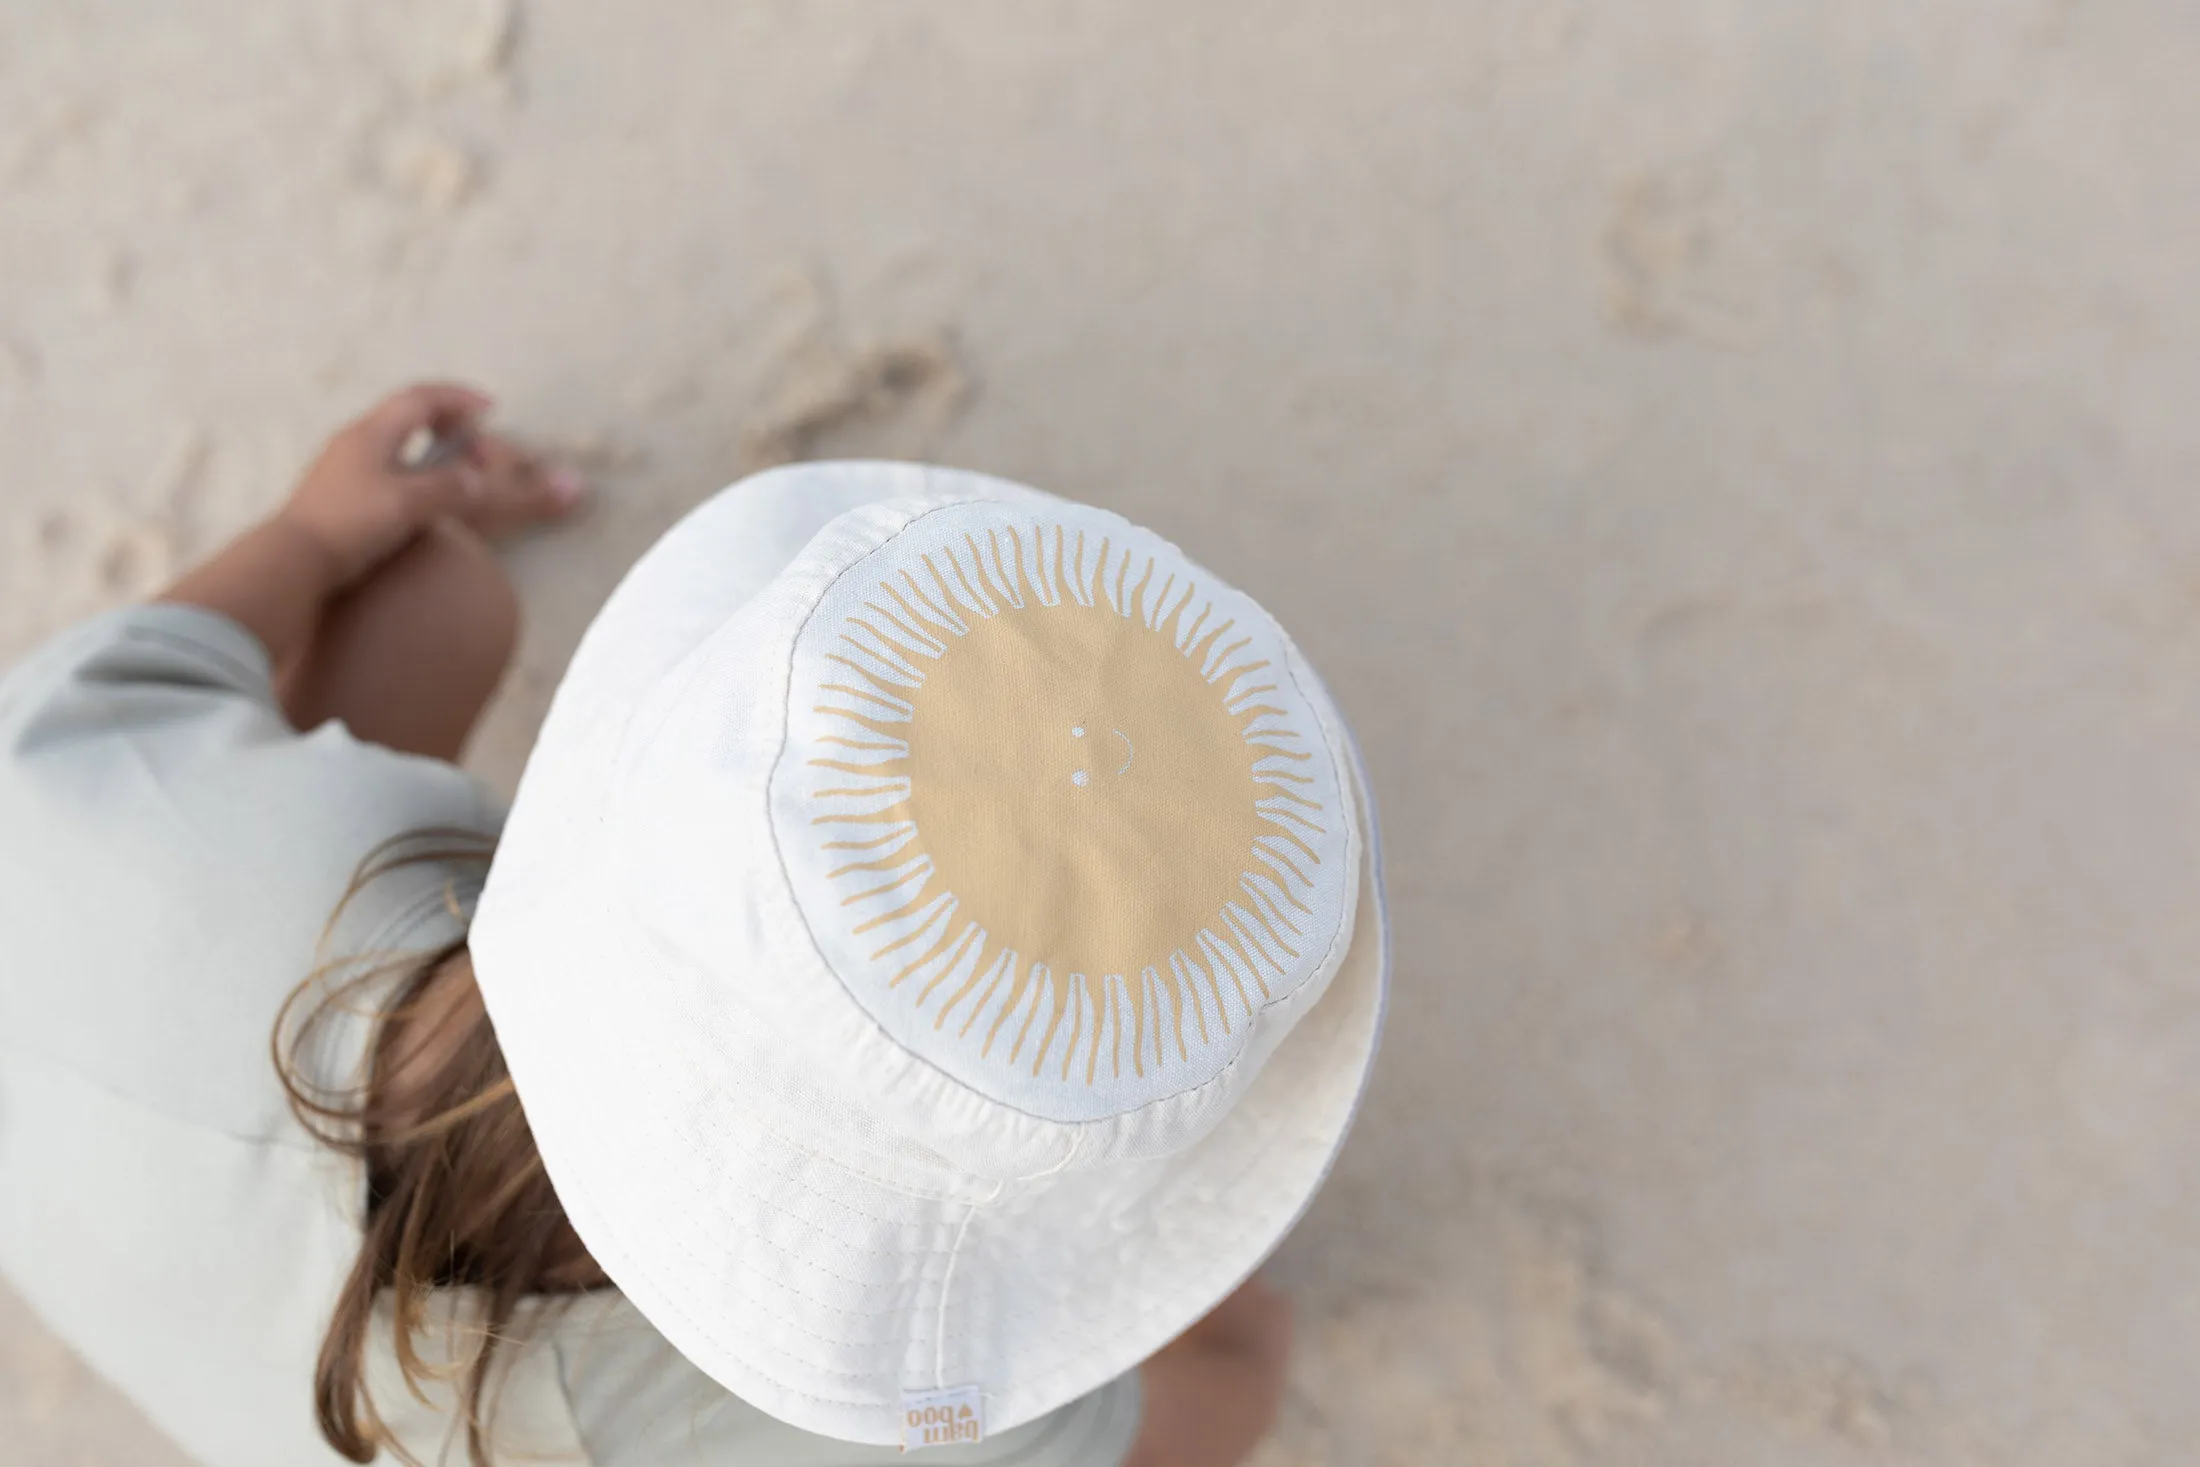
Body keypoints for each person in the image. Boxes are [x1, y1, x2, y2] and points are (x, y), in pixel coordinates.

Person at [0, 385, 1387, 1467]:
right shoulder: (821, 1429)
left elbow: (112, 692)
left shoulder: (214, 829)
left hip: (98, 1123)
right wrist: (1166, 1280)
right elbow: (1212, 1385)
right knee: (1232, 1343)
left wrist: (312, 533)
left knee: (434, 596)